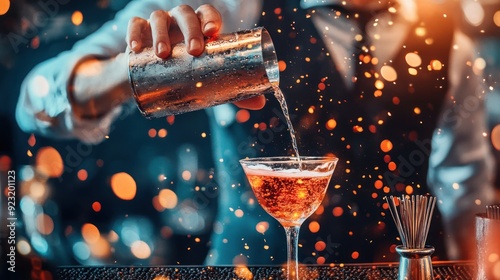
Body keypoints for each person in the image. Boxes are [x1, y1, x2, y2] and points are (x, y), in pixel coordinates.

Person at [15, 0, 495, 267]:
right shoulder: (230, 7)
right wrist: (132, 72)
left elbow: (465, 195)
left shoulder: (452, 45)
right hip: (246, 268)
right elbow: (33, 101)